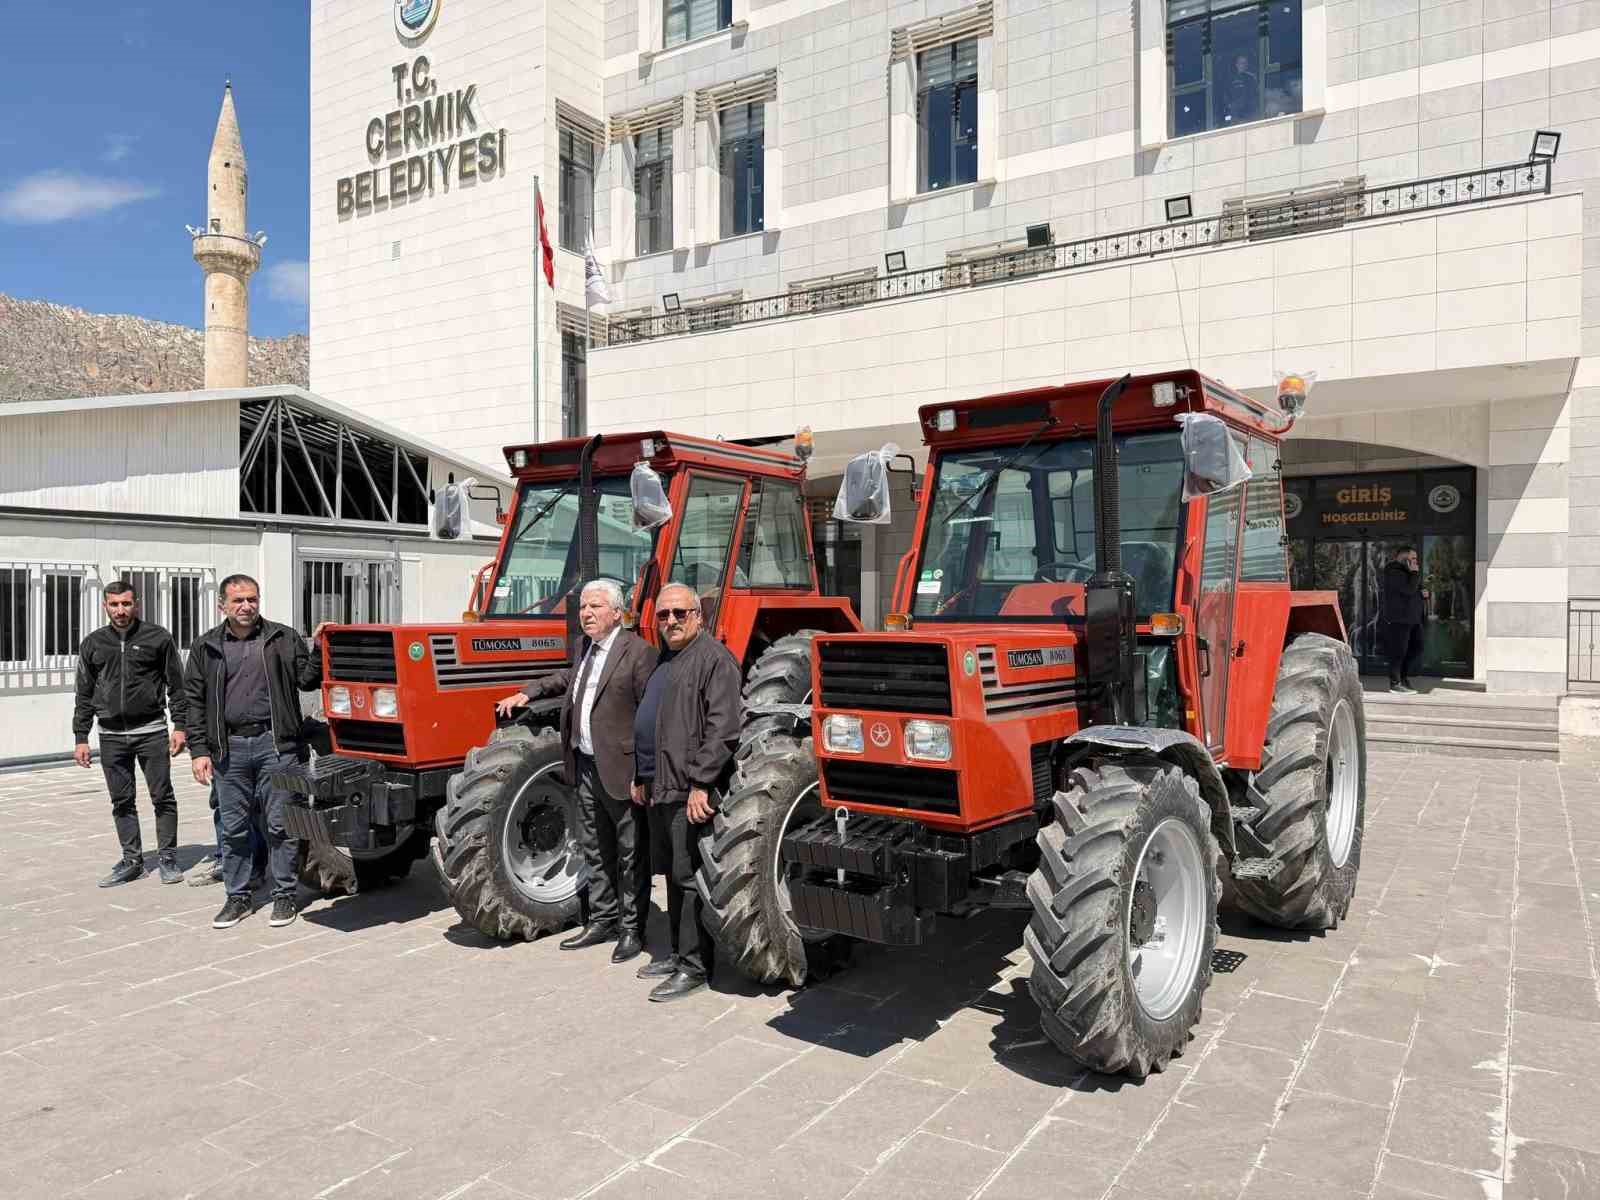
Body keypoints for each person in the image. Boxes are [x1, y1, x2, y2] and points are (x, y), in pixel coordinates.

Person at [497, 579, 654, 962]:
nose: (586, 613)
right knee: (594, 848)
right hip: (584, 764)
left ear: (617, 613)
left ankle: (632, 930)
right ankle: (602, 920)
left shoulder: (639, 653)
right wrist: (528, 692)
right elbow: (569, 679)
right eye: (583, 606)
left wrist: (644, 773)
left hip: (622, 768)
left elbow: (650, 718)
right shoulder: (585, 646)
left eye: (596, 606)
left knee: (630, 853)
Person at [183, 575, 327, 930]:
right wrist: (199, 750)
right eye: (238, 601)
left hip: (275, 746)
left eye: (252, 599)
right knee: (233, 829)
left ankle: (284, 895)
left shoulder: (280, 637)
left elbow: (306, 680)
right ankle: (238, 897)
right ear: (222, 606)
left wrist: (321, 646)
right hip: (228, 749)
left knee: (281, 825)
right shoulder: (206, 647)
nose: (246, 606)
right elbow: (194, 704)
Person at [631, 583, 741, 1002]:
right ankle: (677, 952)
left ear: (699, 615)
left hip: (688, 790)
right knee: (672, 876)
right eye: (664, 615)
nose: (671, 621)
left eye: (680, 613)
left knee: (689, 877)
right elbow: (653, 724)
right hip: (661, 786)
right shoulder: (667, 659)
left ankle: (695, 966)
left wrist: (701, 782)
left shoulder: (714, 660)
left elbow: (723, 728)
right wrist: (642, 776)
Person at [72, 580, 189, 887]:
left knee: (162, 796)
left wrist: (181, 726)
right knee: (121, 800)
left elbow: (177, 685)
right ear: (105, 606)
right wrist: (81, 736)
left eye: (126, 604)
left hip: (151, 731)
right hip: (111, 735)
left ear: (136, 604)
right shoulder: (93, 643)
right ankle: (132, 860)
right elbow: (83, 693)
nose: (121, 610)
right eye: (114, 604)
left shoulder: (158, 638)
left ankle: (167, 858)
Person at [1382, 545, 1427, 694]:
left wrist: (1424, 593)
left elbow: (1415, 590)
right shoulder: (1393, 571)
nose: (1416, 561)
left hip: (1413, 619)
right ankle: (1395, 683)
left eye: (1416, 559)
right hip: (1399, 618)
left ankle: (1403, 677)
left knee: (1417, 648)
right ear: (1403, 557)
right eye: (1413, 558)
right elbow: (1407, 590)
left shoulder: (1410, 573)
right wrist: (1414, 574)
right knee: (1398, 651)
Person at [1222, 53, 1259, 125]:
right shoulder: (1230, 79)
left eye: (1245, 63)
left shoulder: (1251, 78)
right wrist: (1229, 106)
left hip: (1249, 112)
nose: (1243, 65)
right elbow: (1226, 96)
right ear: (1236, 64)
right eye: (1241, 63)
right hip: (1235, 113)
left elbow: (1255, 93)